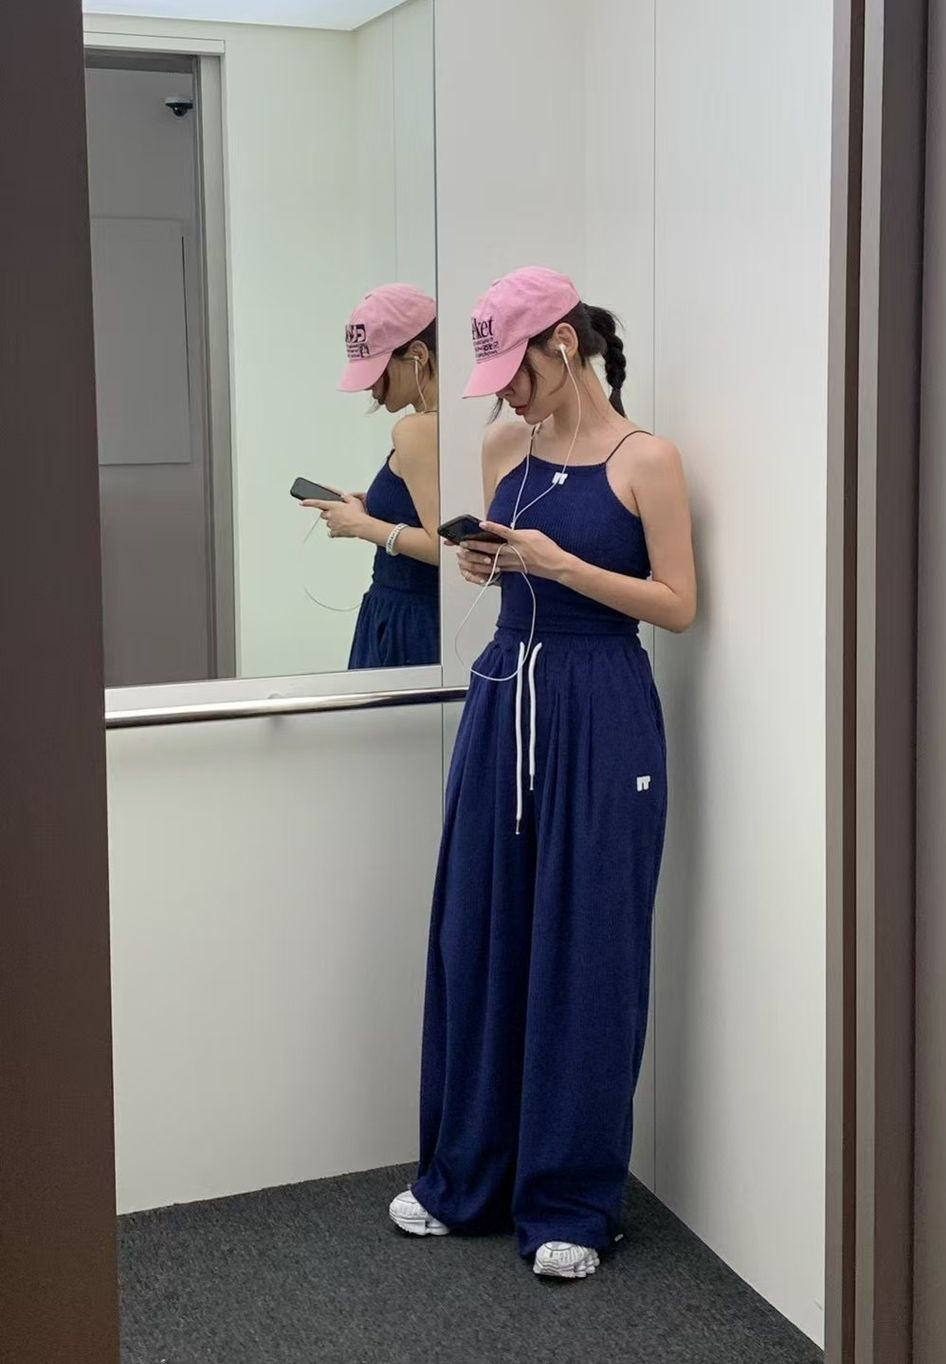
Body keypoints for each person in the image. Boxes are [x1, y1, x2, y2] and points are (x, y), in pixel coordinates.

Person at [388, 266, 697, 1279]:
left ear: (563, 346)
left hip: (602, 706)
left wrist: (563, 565)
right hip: (503, 694)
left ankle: (571, 1201)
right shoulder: (500, 446)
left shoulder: (647, 460)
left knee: (589, 946)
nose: (506, 398)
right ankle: (466, 1176)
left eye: (514, 375)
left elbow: (677, 604)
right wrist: (486, 559)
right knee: (478, 931)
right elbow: (502, 560)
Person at [304, 283, 440, 669]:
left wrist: (361, 526)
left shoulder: (416, 430)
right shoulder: (443, 424)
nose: (371, 388)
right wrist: (372, 509)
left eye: (377, 372)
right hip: (414, 614)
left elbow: (442, 546)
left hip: (409, 619)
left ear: (418, 354)